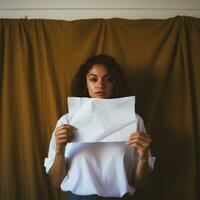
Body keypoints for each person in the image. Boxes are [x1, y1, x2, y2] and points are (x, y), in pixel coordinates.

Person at [44, 54, 155, 200]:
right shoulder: (67, 121)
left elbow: (139, 183)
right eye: (93, 79)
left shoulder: (133, 120)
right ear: (86, 83)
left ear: (116, 83)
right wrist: (59, 150)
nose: (100, 85)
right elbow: (56, 181)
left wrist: (143, 157)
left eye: (108, 79)